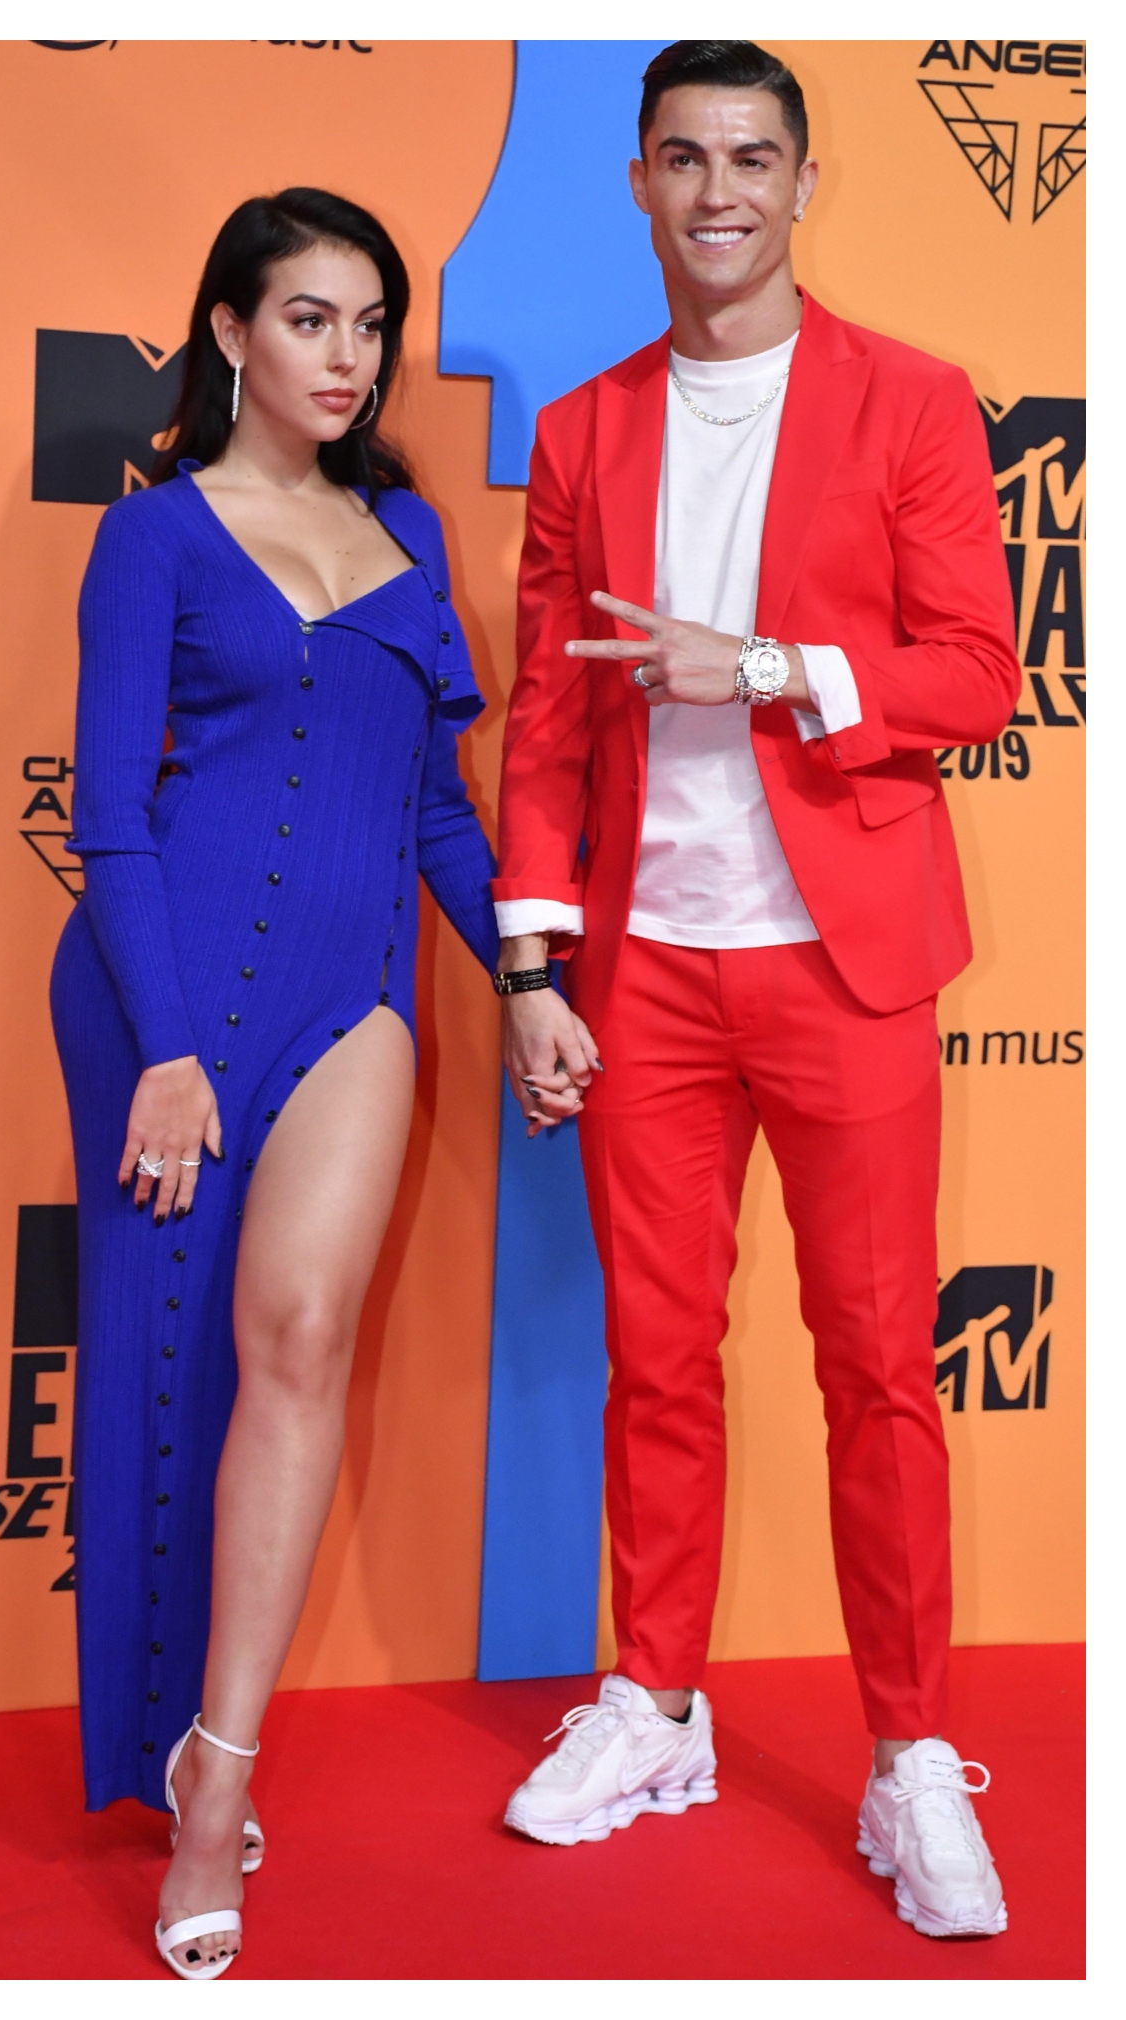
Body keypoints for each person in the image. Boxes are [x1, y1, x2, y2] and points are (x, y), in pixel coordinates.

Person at [491, 42, 1018, 1938]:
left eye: (755, 159)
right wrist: (534, 962)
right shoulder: (584, 430)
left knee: (881, 1370)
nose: (720, 192)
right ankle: (656, 1702)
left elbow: (981, 670)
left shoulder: (914, 400)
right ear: (635, 181)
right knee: (657, 1359)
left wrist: (778, 664)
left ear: (808, 182)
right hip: (646, 981)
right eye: (685, 159)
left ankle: (908, 1756)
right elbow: (546, 720)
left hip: (844, 968)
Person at [54, 189, 522, 1979]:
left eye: (369, 323)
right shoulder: (158, 539)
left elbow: (430, 814)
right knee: (172, 1372)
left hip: (351, 1003)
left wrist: (527, 978)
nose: (346, 355)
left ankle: (215, 1776)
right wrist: (166, 1051)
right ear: (232, 332)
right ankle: (171, 1747)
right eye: (310, 319)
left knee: (302, 1336)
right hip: (165, 1009)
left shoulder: (407, 532)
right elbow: (108, 822)